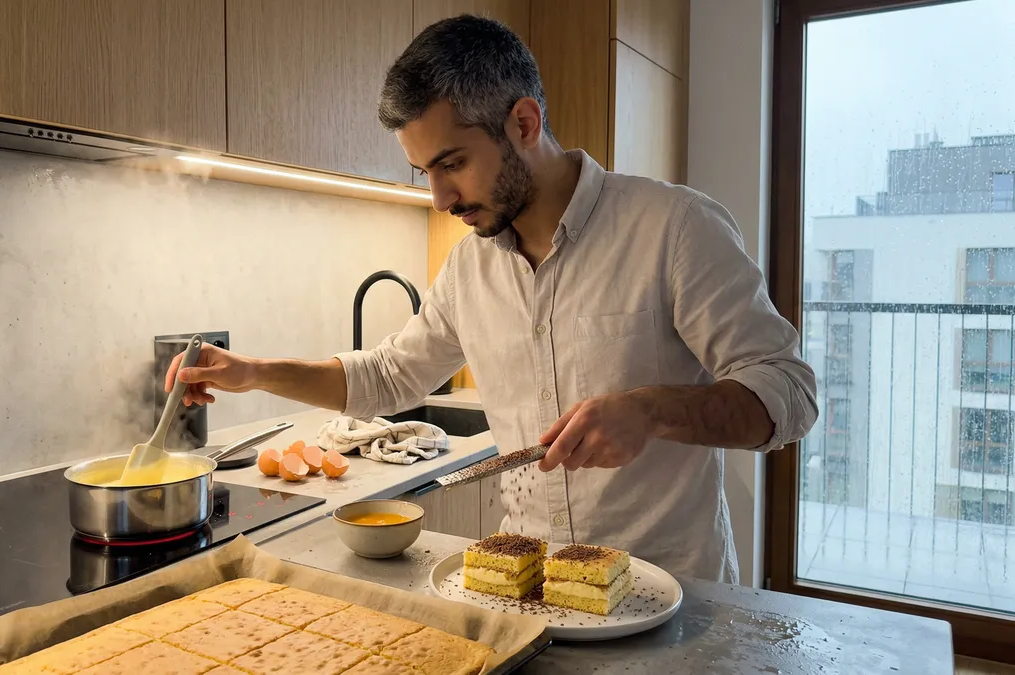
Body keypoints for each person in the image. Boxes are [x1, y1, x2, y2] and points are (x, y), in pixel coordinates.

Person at [165, 15, 817, 583]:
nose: (440, 198)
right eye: (425, 172)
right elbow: (391, 374)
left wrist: (651, 410)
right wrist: (255, 373)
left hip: (668, 596)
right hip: (524, 588)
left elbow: (788, 392)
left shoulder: (673, 227)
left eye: (452, 163)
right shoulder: (469, 268)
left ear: (524, 122)